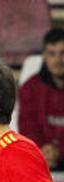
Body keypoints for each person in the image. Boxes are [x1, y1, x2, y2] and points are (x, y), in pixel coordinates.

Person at [18, 28, 64, 170]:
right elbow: (27, 126)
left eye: (63, 53)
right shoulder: (29, 88)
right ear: (44, 55)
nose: (58, 60)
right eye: (52, 54)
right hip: (40, 158)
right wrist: (42, 150)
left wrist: (60, 152)